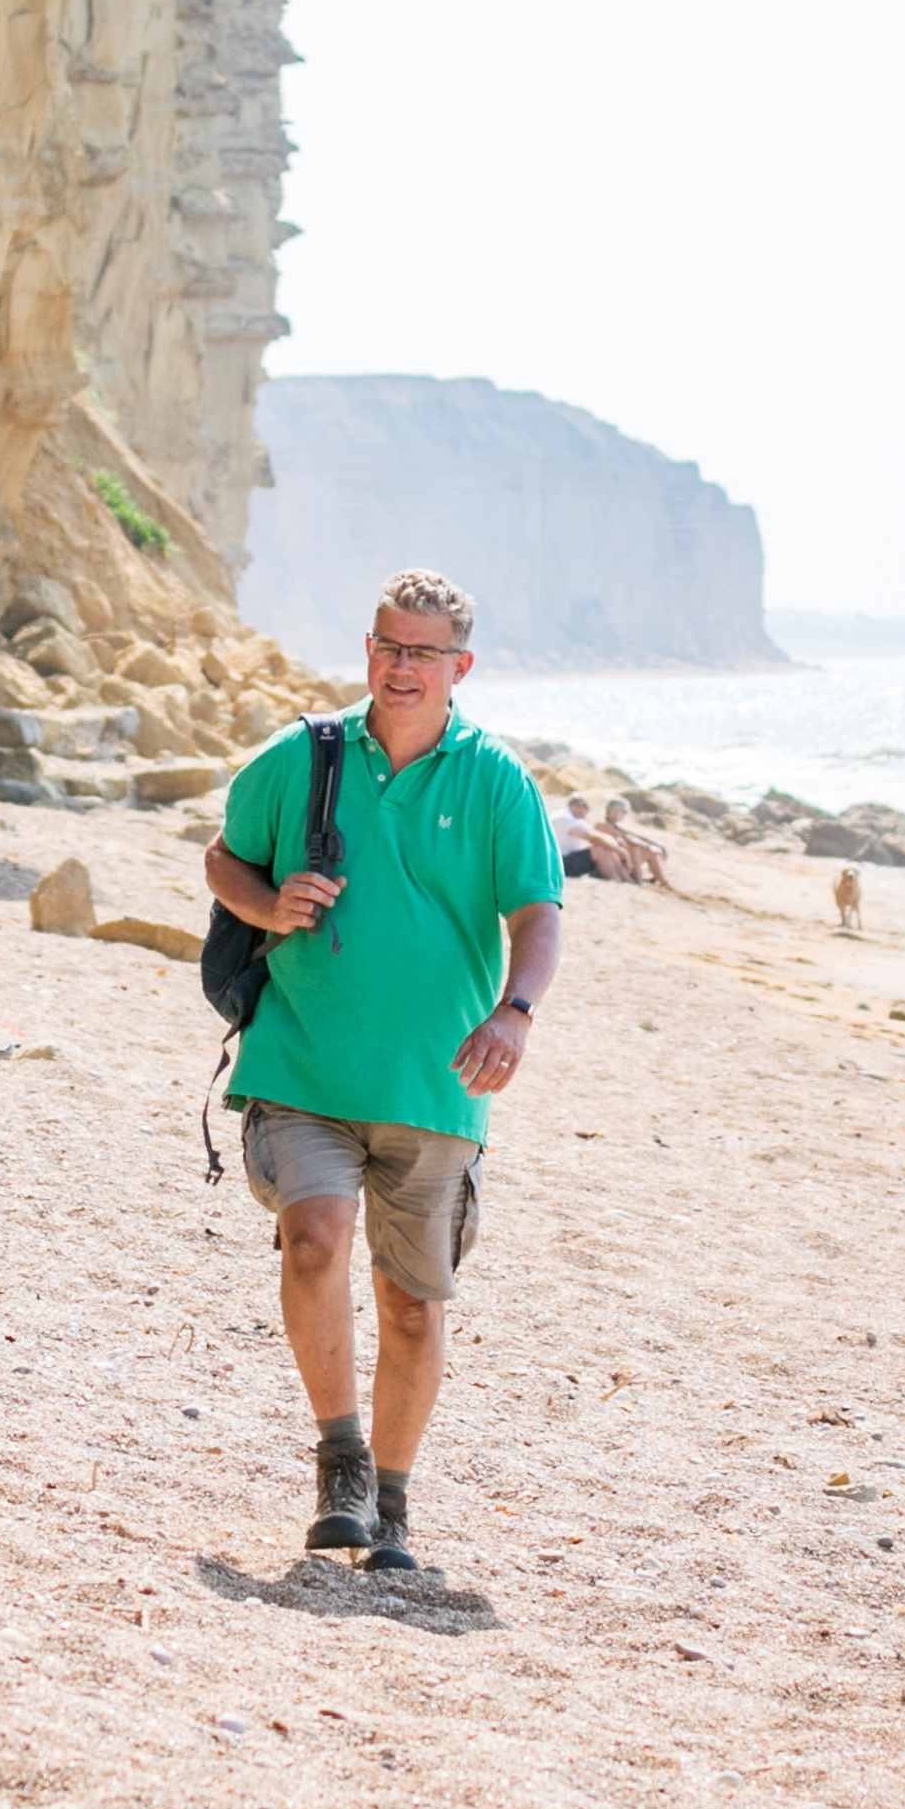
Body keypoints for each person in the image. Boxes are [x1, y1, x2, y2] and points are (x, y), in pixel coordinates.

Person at [204, 568, 561, 1574]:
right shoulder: (301, 758)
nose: (400, 668)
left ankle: (392, 1501)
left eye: (422, 652)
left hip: (436, 1082)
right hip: (302, 1062)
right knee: (312, 1240)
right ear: (368, 649)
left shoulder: (495, 781)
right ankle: (341, 1460)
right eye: (386, 646)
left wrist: (516, 1013)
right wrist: (266, 906)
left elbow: (537, 914)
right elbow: (223, 862)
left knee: (411, 1302)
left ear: (461, 666)